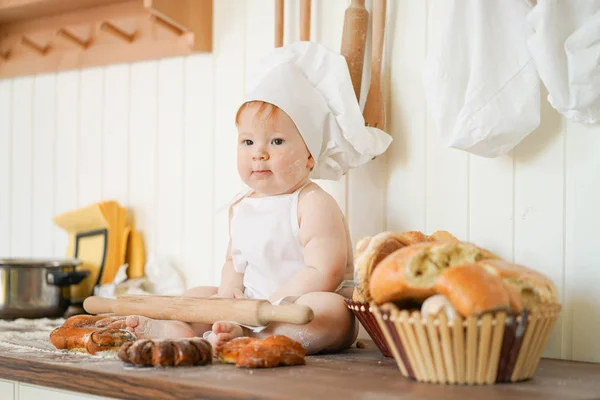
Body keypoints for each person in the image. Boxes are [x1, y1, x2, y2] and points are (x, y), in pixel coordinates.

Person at [99, 42, 392, 355]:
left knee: (331, 310)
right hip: (249, 305)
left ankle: (254, 338)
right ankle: (184, 329)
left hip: (294, 306)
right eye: (248, 141)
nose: (259, 153)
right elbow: (233, 264)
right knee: (197, 295)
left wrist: (270, 305)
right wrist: (228, 296)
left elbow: (324, 272)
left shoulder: (312, 202)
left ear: (310, 155)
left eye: (276, 141)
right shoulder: (241, 207)